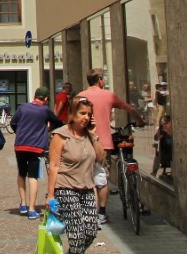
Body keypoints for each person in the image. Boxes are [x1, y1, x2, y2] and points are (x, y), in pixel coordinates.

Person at [77, 69, 144, 224]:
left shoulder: (81, 96)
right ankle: (101, 213)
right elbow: (131, 109)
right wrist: (140, 121)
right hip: (103, 143)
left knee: (86, 177)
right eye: (104, 79)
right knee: (102, 178)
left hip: (84, 142)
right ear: (99, 80)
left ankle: (87, 211)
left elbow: (72, 118)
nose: (104, 81)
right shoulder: (108, 95)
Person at [47, 97, 105, 254]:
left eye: (89, 114)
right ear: (72, 114)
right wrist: (51, 195)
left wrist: (94, 135)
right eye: (82, 113)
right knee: (77, 235)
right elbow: (54, 165)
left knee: (91, 231)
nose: (86, 117)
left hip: (86, 189)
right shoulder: (60, 135)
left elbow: (100, 158)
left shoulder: (89, 136)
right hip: (66, 188)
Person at [10, 86, 63, 219]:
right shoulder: (45, 111)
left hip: (20, 145)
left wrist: (20, 132)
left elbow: (13, 123)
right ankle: (32, 209)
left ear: (34, 96)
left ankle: (23, 204)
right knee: (33, 176)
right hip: (36, 147)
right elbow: (59, 123)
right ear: (45, 99)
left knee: (21, 173)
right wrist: (48, 128)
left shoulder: (22, 108)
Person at [152, 114, 173, 180]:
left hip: (171, 149)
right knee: (158, 156)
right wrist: (161, 131)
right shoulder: (163, 128)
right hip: (164, 150)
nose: (165, 124)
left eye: (167, 122)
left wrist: (167, 131)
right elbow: (156, 138)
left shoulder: (172, 126)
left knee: (159, 155)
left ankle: (154, 172)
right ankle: (154, 172)